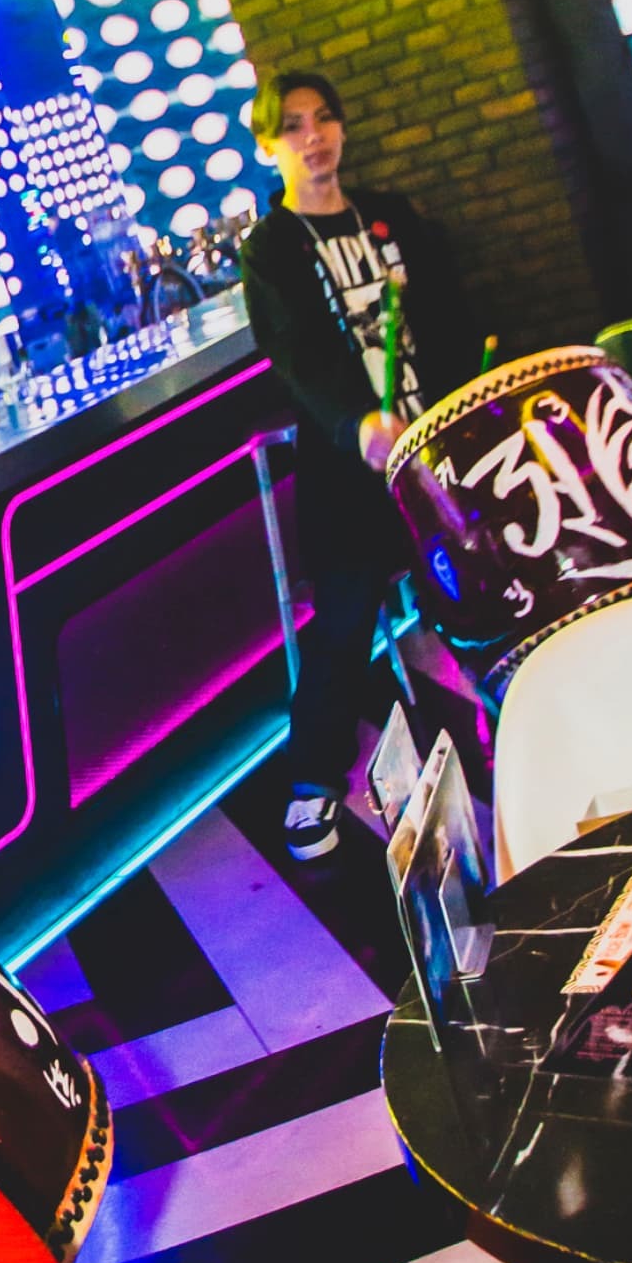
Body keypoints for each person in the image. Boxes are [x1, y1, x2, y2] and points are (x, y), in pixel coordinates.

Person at [240, 72, 482, 859]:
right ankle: (313, 779)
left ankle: (518, 710)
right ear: (269, 145)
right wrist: (357, 422)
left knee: (478, 588)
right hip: (350, 468)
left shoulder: (391, 216)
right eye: (294, 126)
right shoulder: (272, 247)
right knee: (343, 622)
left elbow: (447, 313)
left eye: (324, 119)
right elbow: (296, 354)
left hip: (433, 446)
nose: (314, 137)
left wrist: (459, 404)